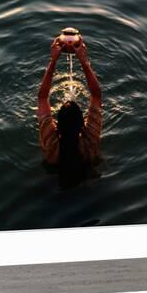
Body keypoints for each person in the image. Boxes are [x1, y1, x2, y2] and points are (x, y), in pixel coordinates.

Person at [37, 37, 102, 186]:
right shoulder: (89, 143)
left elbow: (42, 97)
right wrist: (84, 61)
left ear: (56, 126)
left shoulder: (51, 145)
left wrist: (53, 60)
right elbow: (97, 94)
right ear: (82, 125)